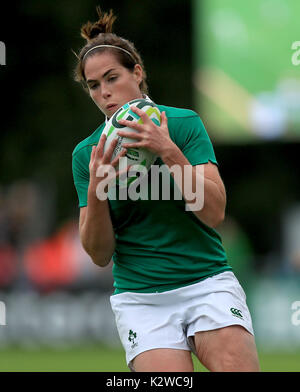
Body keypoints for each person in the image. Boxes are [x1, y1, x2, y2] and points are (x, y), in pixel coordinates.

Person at [72, 7, 260, 372]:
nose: (104, 93)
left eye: (112, 78)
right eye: (94, 85)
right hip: (142, 298)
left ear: (137, 74)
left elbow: (214, 213)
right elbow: (98, 253)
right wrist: (98, 185)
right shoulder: (88, 154)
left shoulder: (184, 125)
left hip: (206, 282)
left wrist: (167, 149)